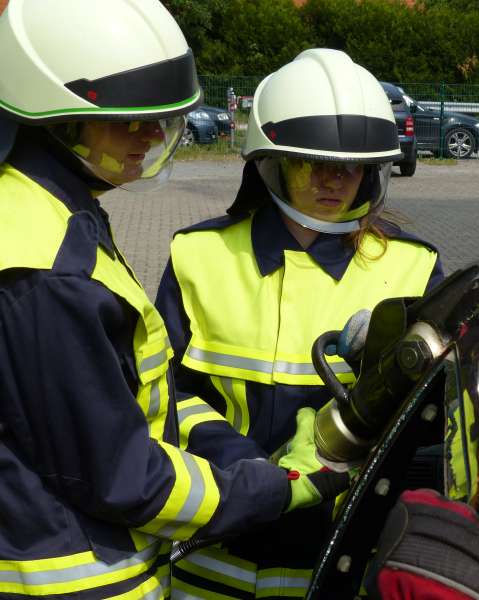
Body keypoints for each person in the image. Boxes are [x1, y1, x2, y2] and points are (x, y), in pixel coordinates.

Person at [0, 2, 349, 598]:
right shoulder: (49, 269)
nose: (151, 137)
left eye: (161, 120)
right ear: (56, 117)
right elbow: (123, 476)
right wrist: (276, 486)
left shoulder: (48, 212)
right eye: (128, 120)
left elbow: (137, 402)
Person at [155, 48, 445, 598]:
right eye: (312, 163)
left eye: (351, 166)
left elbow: (432, 419)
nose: (334, 181)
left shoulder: (414, 268)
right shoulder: (199, 254)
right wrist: (228, 452)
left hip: (341, 559)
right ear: (272, 163)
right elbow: (162, 386)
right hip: (214, 554)